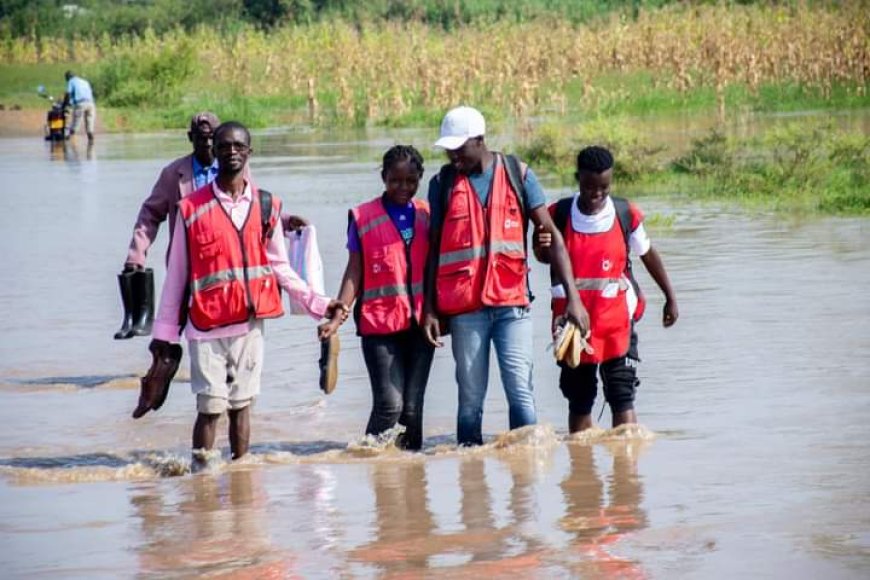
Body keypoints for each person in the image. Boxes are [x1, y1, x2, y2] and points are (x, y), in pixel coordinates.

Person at [142, 121, 347, 469]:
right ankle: (202, 479)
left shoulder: (267, 205)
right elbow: (176, 275)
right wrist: (163, 337)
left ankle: (241, 478)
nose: (232, 152)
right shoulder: (191, 209)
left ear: (249, 153)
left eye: (239, 146)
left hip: (250, 326)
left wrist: (320, 303)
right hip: (205, 328)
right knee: (209, 409)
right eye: (224, 146)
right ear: (213, 151)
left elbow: (280, 267)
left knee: (242, 406)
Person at [421, 106, 588, 447]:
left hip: (512, 305)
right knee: (469, 399)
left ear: (480, 141)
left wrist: (573, 298)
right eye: (449, 149)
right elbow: (433, 251)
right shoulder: (442, 184)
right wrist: (430, 309)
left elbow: (552, 236)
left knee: (520, 392)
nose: (453, 155)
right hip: (466, 310)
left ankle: (523, 481)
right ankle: (472, 481)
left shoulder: (518, 174)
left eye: (459, 148)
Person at [533, 146, 678, 432]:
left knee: (622, 395)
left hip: (617, 323)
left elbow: (648, 254)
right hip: (572, 325)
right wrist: (541, 247)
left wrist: (670, 297)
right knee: (580, 398)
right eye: (589, 187)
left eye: (604, 187)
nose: (597, 194)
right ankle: (581, 471)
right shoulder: (558, 214)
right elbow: (540, 254)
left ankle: (625, 472)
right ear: (578, 180)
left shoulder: (625, 214)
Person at [318, 145, 434, 451]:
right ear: (383, 178)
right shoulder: (363, 216)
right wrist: (338, 315)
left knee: (412, 409)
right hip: (379, 326)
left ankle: (412, 479)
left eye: (411, 181)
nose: (403, 187)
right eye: (395, 180)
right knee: (389, 405)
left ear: (420, 179)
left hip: (421, 325)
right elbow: (354, 271)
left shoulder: (428, 214)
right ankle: (367, 461)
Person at [115, 112, 221, 340]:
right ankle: (171, 366)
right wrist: (136, 255)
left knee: (224, 319)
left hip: (223, 259)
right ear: (190, 137)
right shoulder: (174, 175)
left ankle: (223, 372)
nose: (208, 143)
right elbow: (150, 215)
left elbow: (252, 206)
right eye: (201, 138)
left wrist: (283, 220)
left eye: (212, 137)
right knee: (181, 323)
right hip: (188, 261)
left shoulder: (232, 168)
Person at [62, 70, 96, 142]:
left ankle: (69, 144)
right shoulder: (84, 81)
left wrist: (64, 105)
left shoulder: (71, 81)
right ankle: (91, 141)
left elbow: (68, 94)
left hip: (81, 104)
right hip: (91, 104)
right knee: (90, 127)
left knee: (75, 124)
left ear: (68, 77)